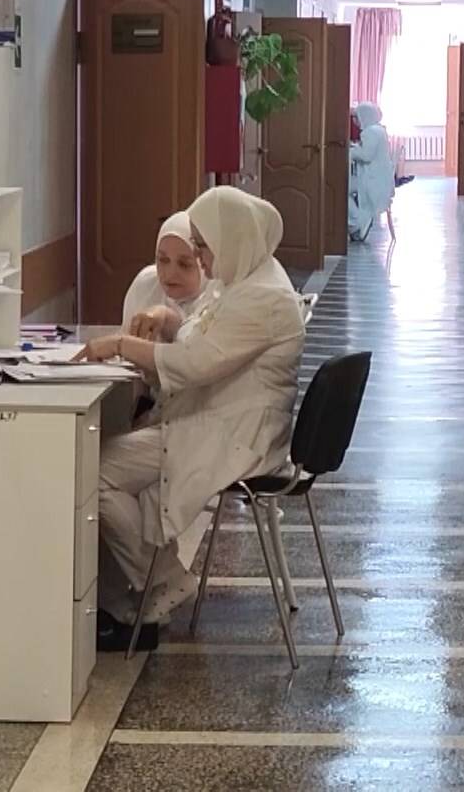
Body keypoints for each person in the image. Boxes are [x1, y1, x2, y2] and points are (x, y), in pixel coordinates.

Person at [76, 186, 305, 650]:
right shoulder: (247, 279)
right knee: (99, 465)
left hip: (233, 436)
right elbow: (205, 340)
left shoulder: (264, 299)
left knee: (90, 472)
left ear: (231, 238)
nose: (198, 256)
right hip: (218, 421)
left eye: (201, 245)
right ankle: (135, 591)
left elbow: (194, 364)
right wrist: (169, 321)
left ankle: (161, 578)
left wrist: (119, 344)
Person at [120, 211, 206, 332]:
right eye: (163, 260)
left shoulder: (218, 296)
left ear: (203, 263)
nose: (171, 273)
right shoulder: (146, 285)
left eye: (184, 264)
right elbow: (126, 336)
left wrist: (167, 318)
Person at [348, 102, 396, 242]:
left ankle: (357, 222)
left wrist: (351, 151)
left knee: (342, 190)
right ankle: (359, 222)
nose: (355, 121)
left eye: (357, 117)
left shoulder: (369, 132)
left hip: (372, 180)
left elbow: (366, 156)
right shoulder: (379, 130)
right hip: (379, 178)